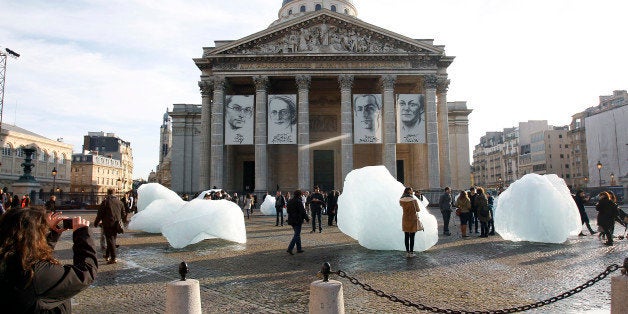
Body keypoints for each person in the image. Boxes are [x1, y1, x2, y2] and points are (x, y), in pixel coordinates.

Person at [0, 209, 97, 312]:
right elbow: (86, 272)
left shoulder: (9, 260)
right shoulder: (35, 273)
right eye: (41, 229)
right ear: (33, 236)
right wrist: (82, 234)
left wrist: (52, 235)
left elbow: (31, 254)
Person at [94, 189, 125, 264]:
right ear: (114, 194)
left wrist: (96, 223)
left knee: (110, 240)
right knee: (112, 239)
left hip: (108, 224)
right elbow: (123, 214)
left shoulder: (105, 202)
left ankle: (113, 258)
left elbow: (100, 214)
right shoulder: (120, 202)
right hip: (117, 224)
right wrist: (118, 219)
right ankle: (107, 255)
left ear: (108, 193)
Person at [400, 187, 423, 258]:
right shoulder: (413, 200)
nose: (412, 191)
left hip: (405, 218)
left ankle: (407, 252)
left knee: (406, 236)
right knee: (412, 236)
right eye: (412, 190)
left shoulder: (401, 200)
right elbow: (418, 210)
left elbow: (401, 206)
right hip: (412, 219)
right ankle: (411, 252)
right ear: (409, 191)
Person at [286, 190, 309, 255]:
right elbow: (303, 211)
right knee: (297, 235)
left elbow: (288, 211)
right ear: (299, 195)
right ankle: (290, 248)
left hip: (291, 220)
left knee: (297, 234)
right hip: (297, 220)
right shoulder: (299, 201)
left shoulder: (290, 201)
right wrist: (307, 219)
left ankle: (299, 249)